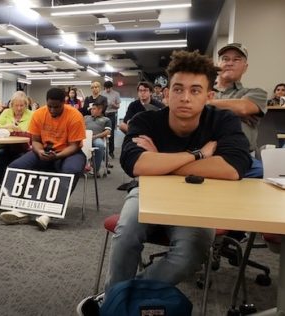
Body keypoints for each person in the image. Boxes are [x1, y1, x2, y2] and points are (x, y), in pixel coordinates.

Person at [77, 50, 252, 314]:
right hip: (147, 191)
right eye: (178, 89)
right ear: (166, 94)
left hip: (199, 198)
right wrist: (199, 155)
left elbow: (233, 167)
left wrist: (160, 160)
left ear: (209, 96)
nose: (185, 97)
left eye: (195, 91)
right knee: (126, 234)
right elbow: (135, 164)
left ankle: (114, 300)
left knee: (193, 251)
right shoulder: (146, 120)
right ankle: (115, 305)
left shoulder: (222, 120)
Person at [0, 88, 86, 231]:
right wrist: (39, 151)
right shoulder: (39, 114)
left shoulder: (75, 116)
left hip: (70, 152)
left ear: (64, 103)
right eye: (50, 106)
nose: (52, 110)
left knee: (71, 170)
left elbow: (74, 146)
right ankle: (20, 209)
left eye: (56, 107)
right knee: (15, 166)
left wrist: (57, 156)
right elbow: (36, 140)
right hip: (44, 150)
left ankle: (48, 213)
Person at [212, 43, 267, 154]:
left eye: (236, 60)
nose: (230, 63)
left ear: (245, 67)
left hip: (243, 156)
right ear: (218, 64)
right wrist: (234, 113)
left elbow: (243, 108)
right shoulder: (204, 91)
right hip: (206, 155)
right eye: (225, 59)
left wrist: (205, 104)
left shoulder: (256, 92)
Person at [0, 90, 33, 181]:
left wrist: (20, 131)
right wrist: (7, 126)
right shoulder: (6, 112)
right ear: (12, 105)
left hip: (23, 147)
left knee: (19, 161)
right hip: (5, 146)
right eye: (16, 105)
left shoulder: (32, 114)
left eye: (22, 105)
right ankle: (4, 184)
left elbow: (33, 133)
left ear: (26, 105)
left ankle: (17, 186)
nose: (19, 108)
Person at [84, 104, 111, 175]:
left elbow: (107, 131)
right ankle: (81, 167)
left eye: (94, 109)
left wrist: (95, 136)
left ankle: (95, 169)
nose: (91, 110)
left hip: (97, 138)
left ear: (100, 110)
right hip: (85, 137)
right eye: (91, 109)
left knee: (100, 145)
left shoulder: (106, 120)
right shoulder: (86, 117)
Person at [101, 81, 121, 159]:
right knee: (102, 133)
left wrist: (113, 105)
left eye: (109, 88)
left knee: (111, 134)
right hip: (103, 114)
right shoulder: (102, 93)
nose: (108, 90)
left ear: (111, 87)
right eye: (106, 88)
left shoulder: (116, 94)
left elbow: (118, 106)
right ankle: (102, 152)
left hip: (112, 114)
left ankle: (111, 152)